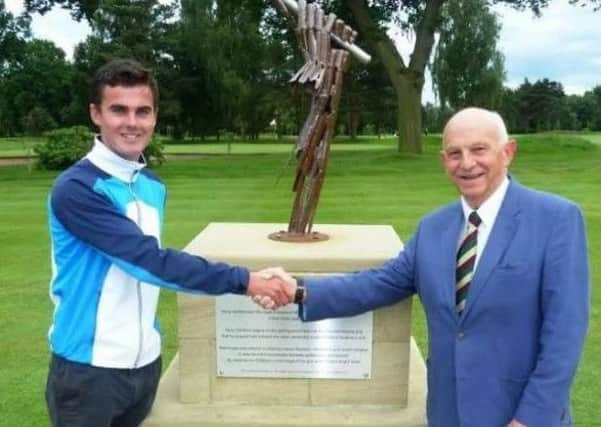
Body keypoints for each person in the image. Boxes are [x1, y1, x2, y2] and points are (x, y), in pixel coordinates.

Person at [259, 107, 590, 427]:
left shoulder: (556, 219)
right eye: (455, 153)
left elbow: (565, 333)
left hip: (517, 413)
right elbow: (378, 283)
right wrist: (298, 290)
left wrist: (531, 418)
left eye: (479, 150)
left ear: (508, 152)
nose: (467, 163)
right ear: (444, 161)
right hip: (447, 413)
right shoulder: (433, 228)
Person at [44, 58, 289, 427]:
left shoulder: (151, 185)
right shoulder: (77, 189)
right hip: (88, 370)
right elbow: (148, 262)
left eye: (143, 111)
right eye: (118, 110)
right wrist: (249, 281)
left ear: (155, 117)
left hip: (144, 363)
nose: (132, 122)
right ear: (96, 114)